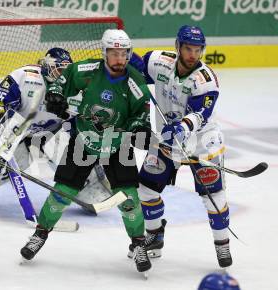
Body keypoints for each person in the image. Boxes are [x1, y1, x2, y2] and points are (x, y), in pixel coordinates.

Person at [19, 28, 153, 273]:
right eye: (114, 53)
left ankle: (139, 244)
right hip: (85, 139)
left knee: (129, 199)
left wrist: (138, 129)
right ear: (104, 53)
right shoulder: (87, 70)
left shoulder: (135, 81)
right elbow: (60, 83)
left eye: (124, 54)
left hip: (116, 144)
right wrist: (56, 97)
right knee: (61, 193)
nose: (119, 59)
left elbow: (141, 116)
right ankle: (40, 234)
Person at [137, 25, 232, 267]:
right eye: (188, 49)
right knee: (146, 189)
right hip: (168, 142)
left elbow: (202, 113)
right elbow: (136, 68)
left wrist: (182, 127)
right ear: (177, 46)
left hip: (202, 143)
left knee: (214, 197)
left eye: (198, 50)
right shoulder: (159, 61)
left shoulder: (206, 80)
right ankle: (155, 237)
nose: (193, 55)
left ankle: (222, 246)